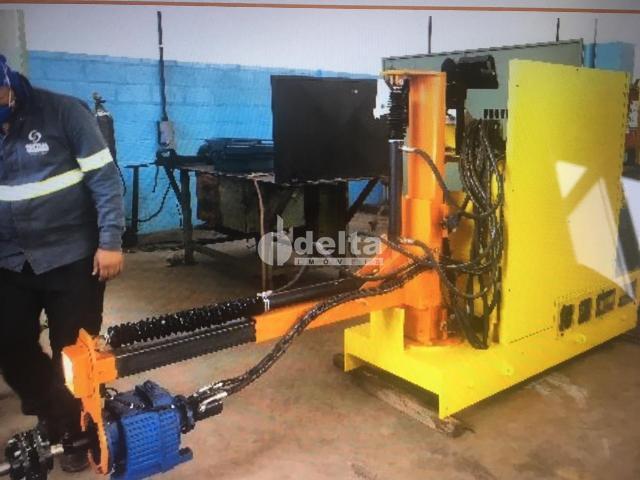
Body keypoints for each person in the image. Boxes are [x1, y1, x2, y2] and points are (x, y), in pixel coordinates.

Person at [0, 55, 125, 472]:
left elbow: (105, 179)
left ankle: (74, 429)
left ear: (8, 84)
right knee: (9, 343)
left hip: (72, 255)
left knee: (72, 350)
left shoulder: (64, 112)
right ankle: (53, 413)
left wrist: (110, 241)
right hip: (10, 260)